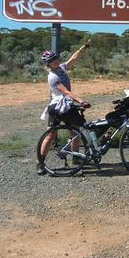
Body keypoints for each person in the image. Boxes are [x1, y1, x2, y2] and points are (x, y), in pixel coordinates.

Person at [37, 40, 91, 175]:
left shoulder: (61, 68)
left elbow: (73, 58)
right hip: (57, 107)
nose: (55, 61)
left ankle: (76, 158)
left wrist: (83, 47)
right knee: (50, 135)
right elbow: (65, 91)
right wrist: (80, 100)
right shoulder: (52, 77)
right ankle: (40, 163)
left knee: (76, 131)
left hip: (67, 105)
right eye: (51, 60)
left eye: (55, 58)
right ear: (47, 64)